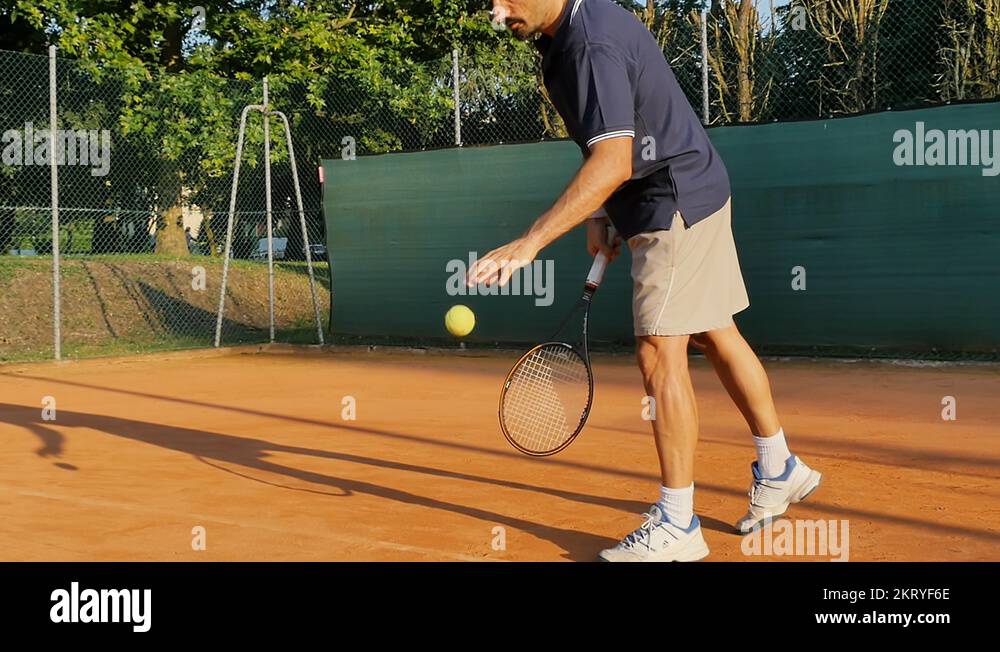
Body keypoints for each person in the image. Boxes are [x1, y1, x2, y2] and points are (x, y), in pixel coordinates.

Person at [467, 0, 822, 562]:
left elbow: (611, 162)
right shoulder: (567, 35)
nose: (495, 10)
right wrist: (600, 214)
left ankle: (679, 523)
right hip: (689, 185)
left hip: (671, 200)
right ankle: (778, 466)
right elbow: (612, 139)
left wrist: (530, 241)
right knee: (713, 330)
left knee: (659, 353)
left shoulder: (590, 43)